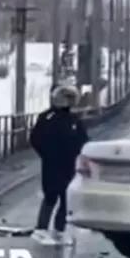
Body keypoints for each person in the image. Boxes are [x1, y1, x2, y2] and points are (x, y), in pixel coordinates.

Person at [30, 84, 88, 246]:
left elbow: (83, 141)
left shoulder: (74, 120)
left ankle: (59, 230)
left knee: (65, 198)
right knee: (51, 195)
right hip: (52, 163)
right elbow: (36, 139)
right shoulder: (47, 117)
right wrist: (47, 154)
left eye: (70, 98)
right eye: (65, 98)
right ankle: (41, 229)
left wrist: (78, 156)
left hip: (68, 165)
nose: (66, 102)